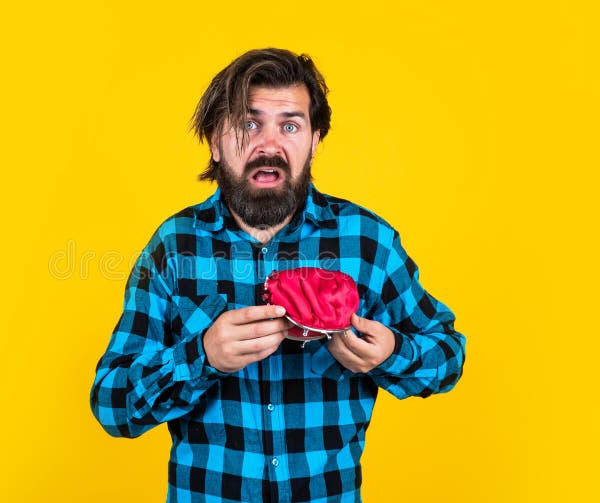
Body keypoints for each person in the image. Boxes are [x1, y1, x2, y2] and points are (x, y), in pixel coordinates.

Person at [90, 48, 466, 503]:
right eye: (249, 124)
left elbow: (447, 354)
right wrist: (202, 356)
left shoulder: (367, 242)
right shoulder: (174, 247)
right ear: (214, 140)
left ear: (314, 140)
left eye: (290, 125)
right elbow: (112, 404)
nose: (269, 145)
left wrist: (392, 353)